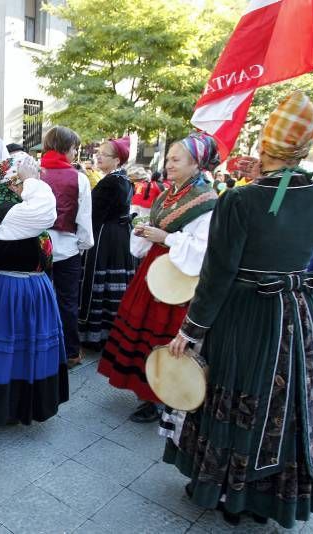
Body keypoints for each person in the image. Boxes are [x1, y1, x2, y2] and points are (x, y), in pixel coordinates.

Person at [165, 92, 313, 528]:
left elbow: (217, 276)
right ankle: (273, 497)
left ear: (265, 145)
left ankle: (227, 491)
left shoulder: (239, 200)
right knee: (287, 403)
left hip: (247, 315)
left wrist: (191, 329)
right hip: (301, 315)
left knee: (236, 396)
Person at [97, 133, 219, 424]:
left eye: (176, 159)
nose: (169, 164)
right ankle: (147, 392)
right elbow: (154, 227)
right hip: (154, 269)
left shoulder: (207, 201)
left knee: (165, 333)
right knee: (141, 328)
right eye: (168, 159)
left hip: (179, 279)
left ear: (196, 164)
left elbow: (204, 250)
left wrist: (167, 238)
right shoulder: (168, 194)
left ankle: (166, 394)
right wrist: (144, 232)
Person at [0, 150, 69, 426]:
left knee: (12, 349)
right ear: (12, 182)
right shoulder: (5, 211)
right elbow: (46, 210)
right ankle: (7, 408)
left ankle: (10, 405)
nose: (26, 187)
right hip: (12, 291)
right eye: (21, 182)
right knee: (11, 349)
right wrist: (32, 179)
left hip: (15, 290)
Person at [40, 126, 94, 368]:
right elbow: (84, 219)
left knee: (38, 300)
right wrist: (83, 245)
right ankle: (70, 351)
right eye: (74, 148)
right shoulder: (78, 178)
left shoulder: (34, 173)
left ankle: (39, 346)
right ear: (66, 148)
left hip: (37, 247)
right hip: (68, 248)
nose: (75, 154)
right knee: (68, 302)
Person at [78, 137, 136, 350]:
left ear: (117, 160)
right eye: (98, 153)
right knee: (113, 283)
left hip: (106, 236)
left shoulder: (111, 182)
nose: (98, 157)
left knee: (98, 282)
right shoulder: (124, 179)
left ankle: (94, 334)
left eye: (104, 154)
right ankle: (109, 331)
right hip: (119, 236)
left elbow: (92, 215)